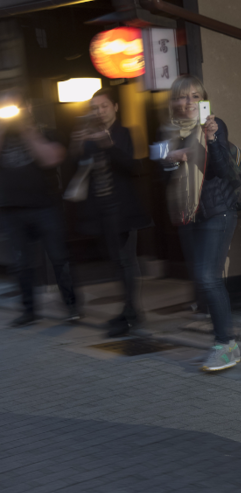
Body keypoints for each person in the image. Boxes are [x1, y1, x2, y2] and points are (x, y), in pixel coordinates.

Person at [159, 75, 240, 372]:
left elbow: (221, 171)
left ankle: (226, 345)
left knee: (208, 277)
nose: (188, 102)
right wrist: (170, 159)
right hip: (187, 214)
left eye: (195, 96)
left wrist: (213, 138)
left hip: (217, 211)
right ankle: (223, 341)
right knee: (202, 278)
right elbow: (161, 171)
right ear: (174, 102)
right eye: (182, 96)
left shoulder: (214, 126)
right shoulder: (168, 132)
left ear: (203, 101)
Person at [69, 88, 151, 337]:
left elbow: (133, 166)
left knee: (126, 260)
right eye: (94, 108)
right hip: (101, 209)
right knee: (116, 262)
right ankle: (130, 311)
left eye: (103, 106)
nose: (99, 111)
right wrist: (77, 144)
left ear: (115, 107)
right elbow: (78, 168)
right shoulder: (90, 136)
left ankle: (130, 315)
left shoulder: (124, 132)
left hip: (123, 208)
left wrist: (109, 144)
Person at [0, 88, 80, 327]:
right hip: (11, 209)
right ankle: (29, 311)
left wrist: (26, 128)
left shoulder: (44, 131)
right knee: (20, 261)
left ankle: (72, 306)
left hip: (44, 207)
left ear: (28, 108)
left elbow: (50, 158)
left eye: (14, 106)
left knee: (58, 257)